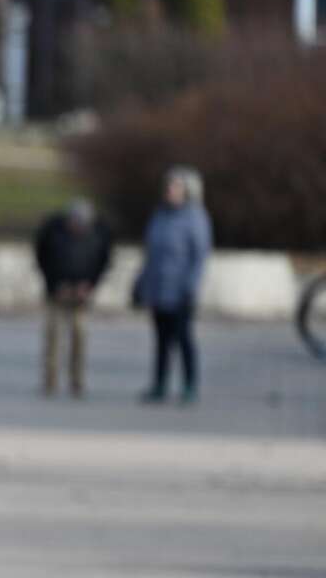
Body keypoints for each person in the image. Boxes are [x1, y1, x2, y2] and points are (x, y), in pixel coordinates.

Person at [132, 166, 213, 405]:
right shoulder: (160, 216)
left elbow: (199, 257)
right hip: (158, 289)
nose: (169, 191)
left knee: (184, 339)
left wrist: (191, 287)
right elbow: (151, 255)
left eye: (175, 187)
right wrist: (140, 284)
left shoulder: (195, 218)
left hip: (180, 291)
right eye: (168, 186)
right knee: (161, 340)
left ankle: (189, 385)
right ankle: (159, 384)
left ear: (187, 191)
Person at [32, 199, 112, 398]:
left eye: (82, 224)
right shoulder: (53, 232)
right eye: (74, 223)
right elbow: (41, 258)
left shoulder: (98, 235)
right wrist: (54, 284)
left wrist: (90, 285)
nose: (77, 227)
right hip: (56, 292)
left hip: (81, 295)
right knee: (53, 336)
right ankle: (49, 381)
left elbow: (103, 263)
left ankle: (77, 381)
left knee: (79, 336)